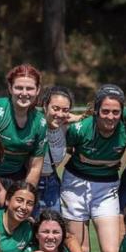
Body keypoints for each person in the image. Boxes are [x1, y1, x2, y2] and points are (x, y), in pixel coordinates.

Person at [61, 84, 126, 252]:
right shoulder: (80, 129)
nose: (110, 116)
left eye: (116, 112)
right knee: (82, 251)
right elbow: (65, 147)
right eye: (105, 111)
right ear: (96, 110)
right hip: (75, 184)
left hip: (106, 187)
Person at [0, 64, 47, 187]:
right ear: (10, 88)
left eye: (29, 88)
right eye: (19, 88)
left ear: (38, 90)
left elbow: (35, 167)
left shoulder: (40, 122)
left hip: (16, 179)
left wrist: (26, 195)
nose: (24, 93)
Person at [35, 86, 77, 216]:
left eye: (65, 110)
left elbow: (88, 117)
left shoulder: (65, 126)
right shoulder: (33, 122)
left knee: (53, 229)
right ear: (45, 106)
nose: (60, 114)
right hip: (31, 183)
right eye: (55, 108)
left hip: (52, 184)